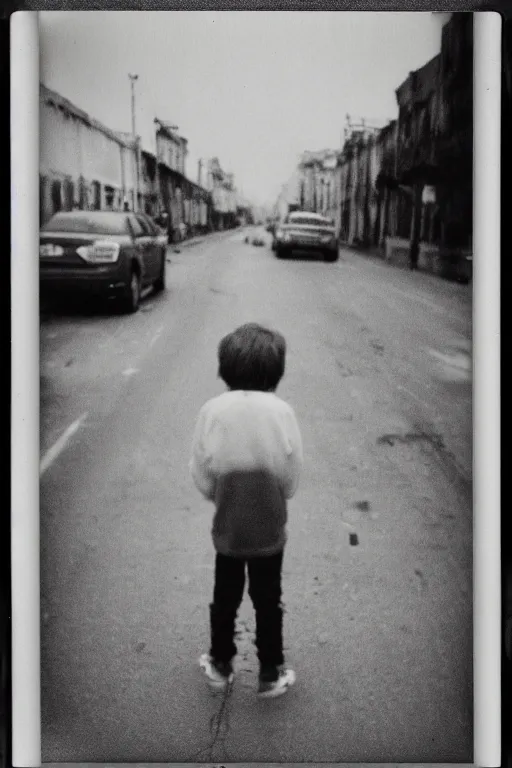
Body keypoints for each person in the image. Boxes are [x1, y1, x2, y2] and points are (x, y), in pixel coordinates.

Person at [190, 323, 303, 698]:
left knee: (225, 595)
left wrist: (217, 495)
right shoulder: (282, 411)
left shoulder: (212, 410)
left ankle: (220, 665)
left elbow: (202, 468)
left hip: (229, 528)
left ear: (226, 366)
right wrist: (281, 492)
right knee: (268, 600)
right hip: (270, 529)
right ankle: (270, 672)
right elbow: (291, 471)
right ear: (276, 370)